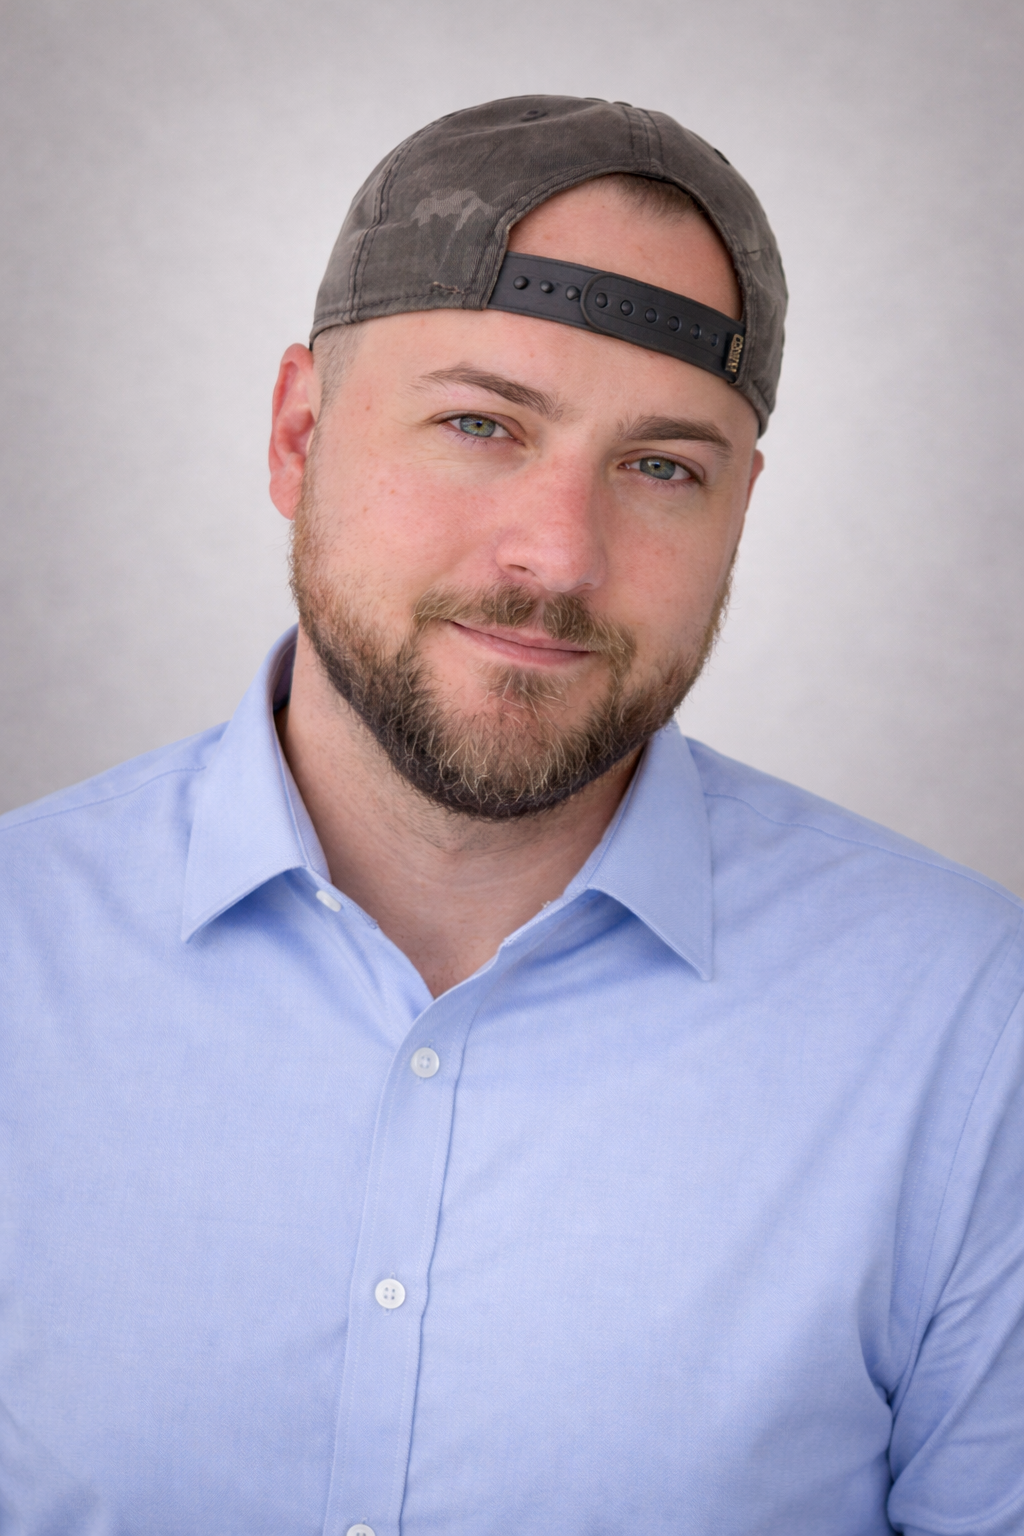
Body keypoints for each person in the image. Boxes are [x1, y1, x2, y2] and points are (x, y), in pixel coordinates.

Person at [0, 94, 1021, 1536]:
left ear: (742, 510)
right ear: (299, 437)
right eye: (481, 423)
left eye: (662, 466)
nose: (558, 554)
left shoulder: (971, 1030)